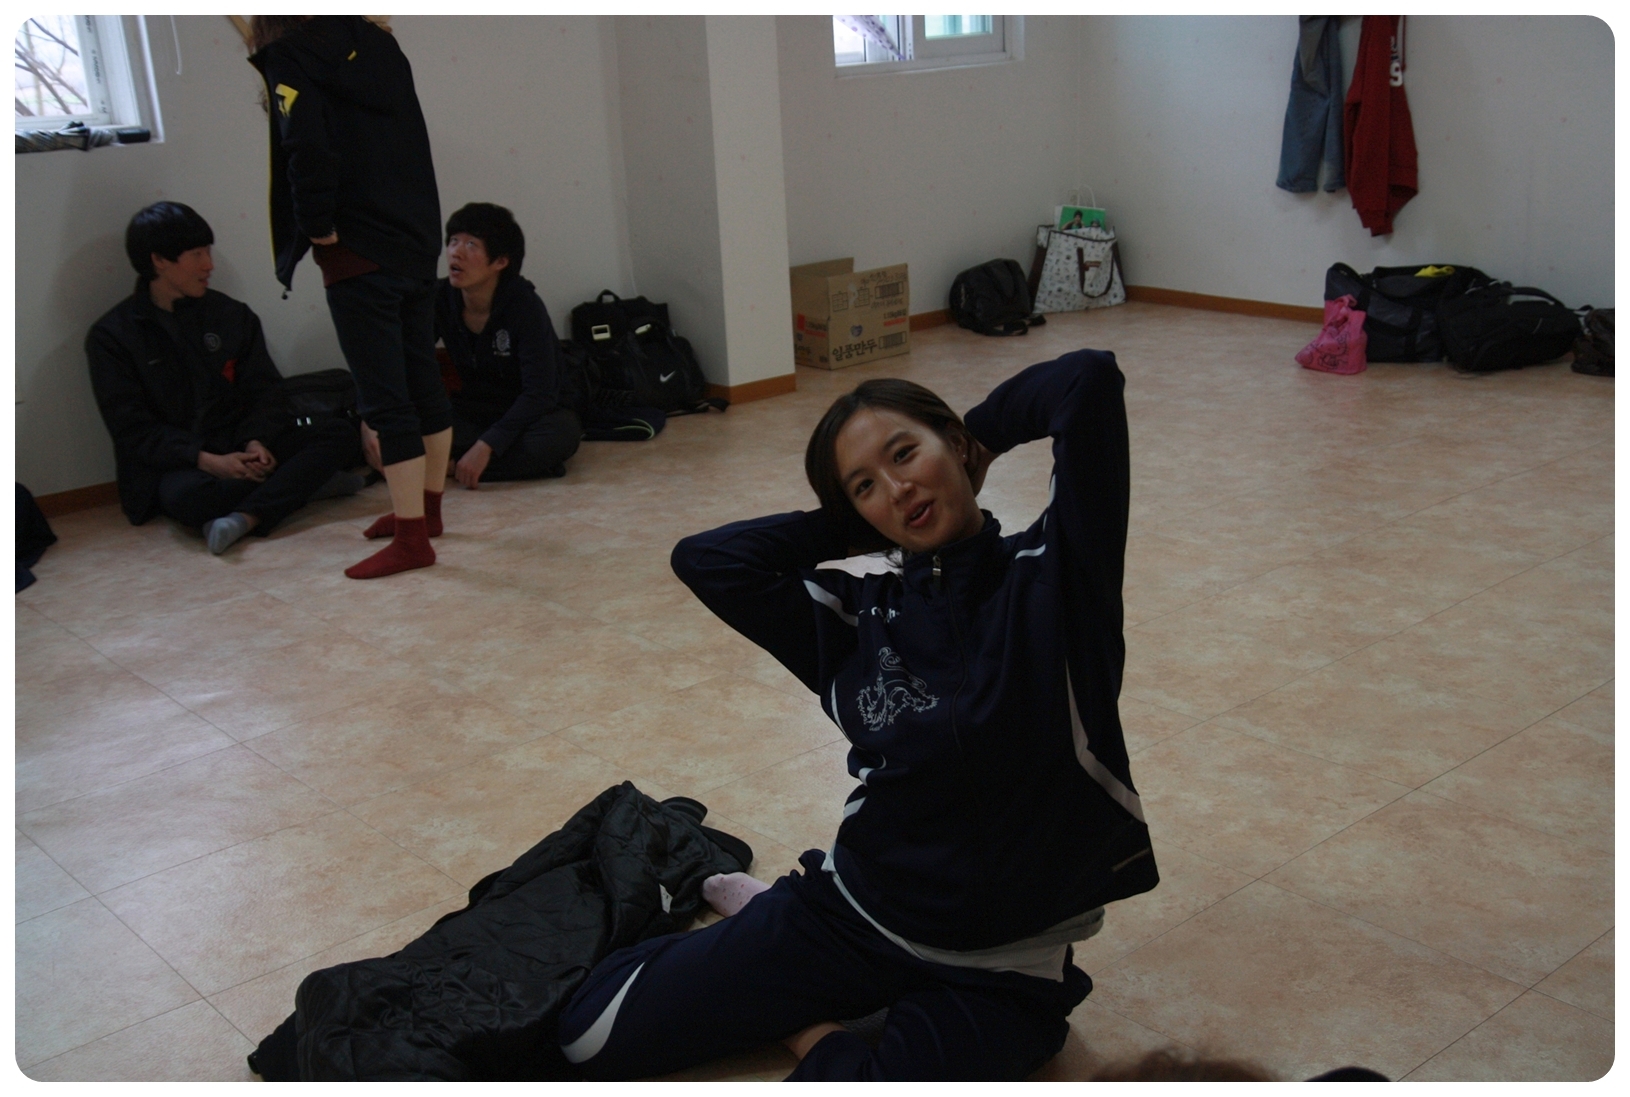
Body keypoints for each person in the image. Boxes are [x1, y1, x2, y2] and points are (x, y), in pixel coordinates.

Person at [556, 349, 1159, 1081]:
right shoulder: (854, 618)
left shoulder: (1057, 575)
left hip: (1002, 966)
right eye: (865, 486)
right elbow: (707, 560)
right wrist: (853, 528)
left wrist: (981, 440)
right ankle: (768, 922)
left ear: (953, 443)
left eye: (905, 454)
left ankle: (804, 1018)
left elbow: (1087, 380)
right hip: (856, 914)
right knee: (586, 1033)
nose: (899, 488)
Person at [248, 14, 452, 579]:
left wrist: (317, 227)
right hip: (414, 235)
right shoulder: (379, 42)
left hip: (357, 248)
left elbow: (306, 147)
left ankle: (412, 538)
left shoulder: (291, 56)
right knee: (422, 378)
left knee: (386, 399)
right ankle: (426, 512)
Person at [85, 201, 362, 555]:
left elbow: (265, 390)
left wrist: (255, 442)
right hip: (183, 463)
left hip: (240, 442)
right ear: (159, 260)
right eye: (197, 254)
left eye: (208, 252)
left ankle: (247, 516)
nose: (209, 265)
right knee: (190, 498)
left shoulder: (231, 315)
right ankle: (304, 485)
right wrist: (208, 460)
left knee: (339, 433)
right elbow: (132, 429)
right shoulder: (112, 337)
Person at [359, 202, 580, 490]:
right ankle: (474, 463)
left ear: (500, 261)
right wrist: (371, 419)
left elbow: (540, 393)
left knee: (558, 436)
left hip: (529, 413)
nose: (456, 252)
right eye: (453, 241)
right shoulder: (439, 297)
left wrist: (488, 444)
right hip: (474, 409)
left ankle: (450, 466)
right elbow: (402, 359)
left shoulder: (524, 305)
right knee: (403, 425)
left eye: (471, 244)